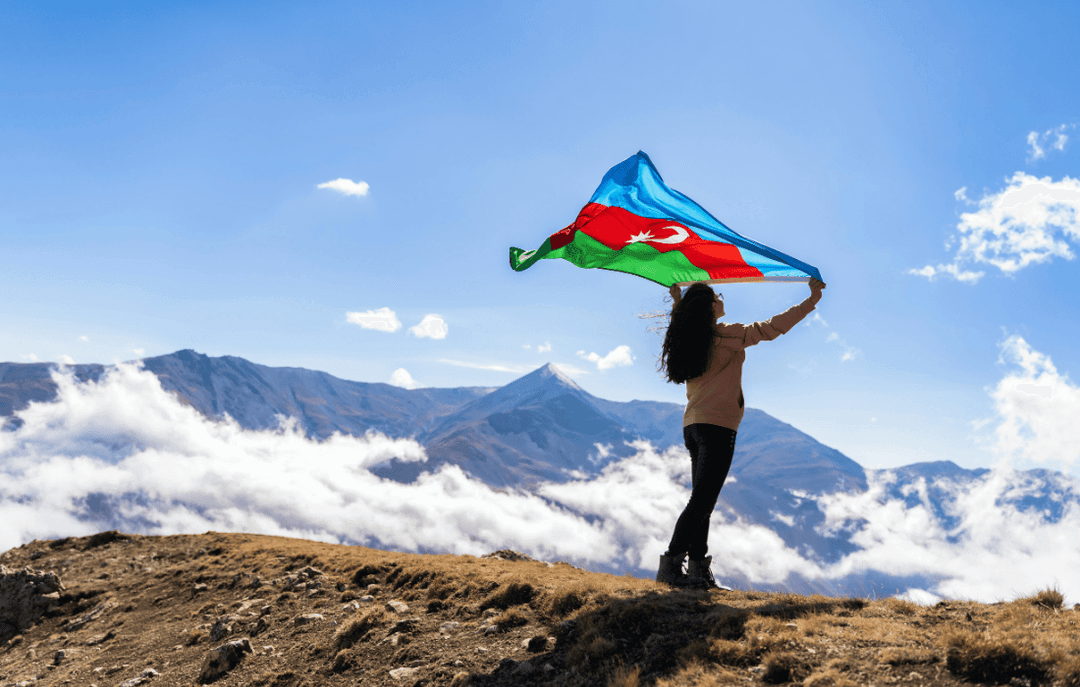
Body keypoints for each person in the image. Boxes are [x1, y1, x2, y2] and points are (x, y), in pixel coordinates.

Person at [656, 278, 826, 589]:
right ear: (710, 307)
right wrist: (811, 300)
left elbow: (681, 324)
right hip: (718, 427)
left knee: (702, 501)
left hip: (693, 425)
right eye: (717, 296)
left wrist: (678, 302)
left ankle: (696, 571)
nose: (722, 298)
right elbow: (772, 328)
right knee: (702, 502)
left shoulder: (689, 338)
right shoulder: (728, 335)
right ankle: (671, 566)